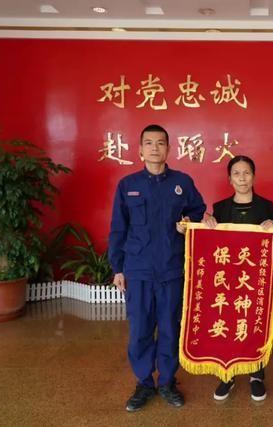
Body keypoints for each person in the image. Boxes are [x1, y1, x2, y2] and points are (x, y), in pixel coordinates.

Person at [108, 124, 206, 411]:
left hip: (171, 268)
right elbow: (118, 228)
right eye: (149, 143)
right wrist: (118, 268)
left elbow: (197, 211)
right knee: (140, 328)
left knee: (170, 328)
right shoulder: (128, 185)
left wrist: (187, 222)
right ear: (140, 150)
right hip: (138, 269)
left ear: (168, 149)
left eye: (160, 143)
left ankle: (166, 381)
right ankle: (144, 383)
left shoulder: (182, 182)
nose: (154, 148)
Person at [202, 155, 273, 402]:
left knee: (256, 323)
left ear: (254, 177)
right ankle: (228, 374)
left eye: (246, 173)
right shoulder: (220, 208)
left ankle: (257, 375)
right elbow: (211, 244)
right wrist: (207, 224)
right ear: (230, 179)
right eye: (237, 173)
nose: (242, 178)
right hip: (227, 279)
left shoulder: (266, 206)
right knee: (227, 322)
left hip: (256, 279)